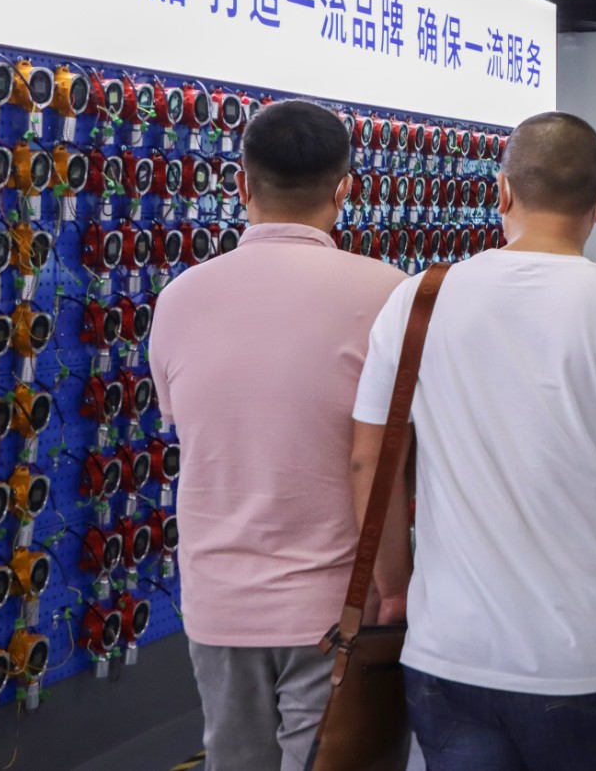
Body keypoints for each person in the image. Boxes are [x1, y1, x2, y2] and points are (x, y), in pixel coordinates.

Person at [350, 112, 596, 771]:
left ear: (501, 192)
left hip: (451, 654)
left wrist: (394, 588)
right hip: (593, 661)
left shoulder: (417, 302)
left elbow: (370, 459)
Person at [147, 99, 407, 771]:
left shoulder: (179, 298)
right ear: (345, 188)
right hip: (339, 608)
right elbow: (385, 459)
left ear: (241, 184)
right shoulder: (389, 294)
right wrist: (396, 585)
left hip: (218, 601)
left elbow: (191, 429)